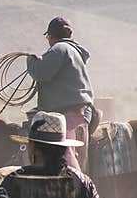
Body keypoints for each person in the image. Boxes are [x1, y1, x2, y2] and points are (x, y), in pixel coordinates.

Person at [25, 17, 99, 172]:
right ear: (70, 35)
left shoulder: (59, 49)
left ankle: (74, 187)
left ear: (50, 37)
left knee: (65, 160)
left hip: (67, 115)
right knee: (76, 158)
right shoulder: (75, 52)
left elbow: (41, 72)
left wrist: (31, 61)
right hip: (81, 113)